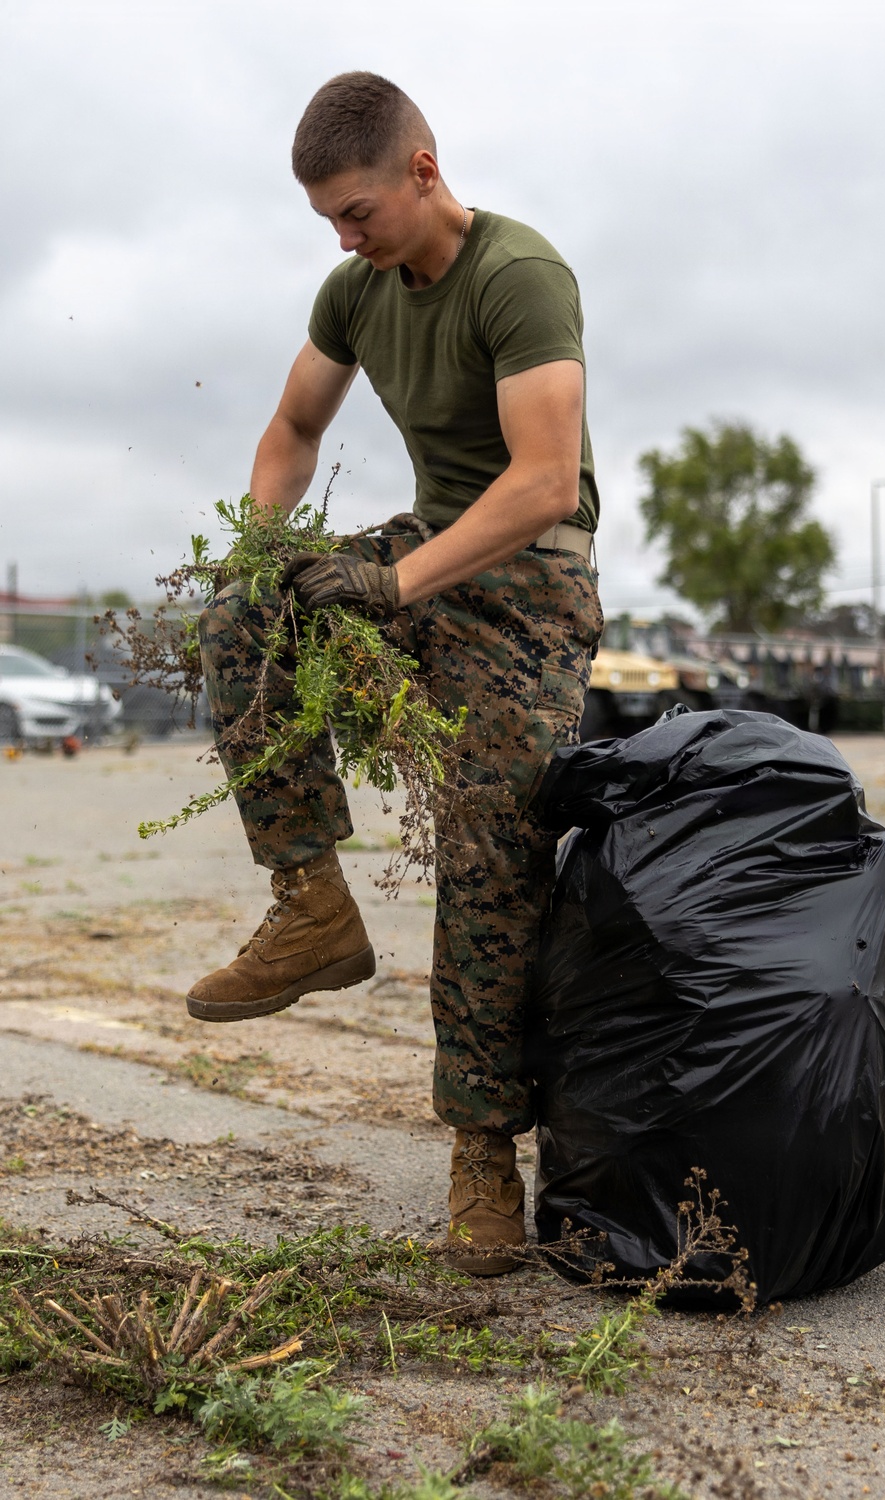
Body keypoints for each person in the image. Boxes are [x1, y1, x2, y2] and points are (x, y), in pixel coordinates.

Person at [188, 71, 602, 1275]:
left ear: (423, 172)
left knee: (486, 840)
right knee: (243, 616)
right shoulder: (354, 288)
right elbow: (291, 431)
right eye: (326, 219)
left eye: (357, 211)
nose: (343, 237)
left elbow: (541, 482)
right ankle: (311, 906)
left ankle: (484, 1157)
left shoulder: (518, 276)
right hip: (430, 553)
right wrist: (265, 559)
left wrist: (388, 587)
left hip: (529, 576)